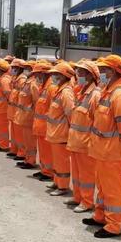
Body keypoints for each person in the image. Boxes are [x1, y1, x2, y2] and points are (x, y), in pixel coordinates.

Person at [83, 54, 121, 238]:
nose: (101, 73)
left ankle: (114, 225)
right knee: (102, 187)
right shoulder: (108, 91)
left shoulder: (120, 95)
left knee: (112, 189)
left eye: (105, 70)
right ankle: (100, 216)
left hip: (111, 152)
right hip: (101, 150)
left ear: (113, 72)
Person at [66, 60, 101, 213]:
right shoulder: (81, 92)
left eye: (81, 72)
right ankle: (78, 196)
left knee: (86, 175)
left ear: (89, 75)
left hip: (86, 143)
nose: (77, 74)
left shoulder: (95, 95)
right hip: (75, 141)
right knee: (77, 173)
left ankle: (87, 201)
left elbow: (97, 122)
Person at [45, 62, 76, 196]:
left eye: (57, 74)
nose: (53, 76)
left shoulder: (66, 92)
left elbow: (70, 113)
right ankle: (57, 181)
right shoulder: (59, 90)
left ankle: (62, 186)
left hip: (61, 133)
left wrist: (69, 132)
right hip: (55, 133)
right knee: (57, 160)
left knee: (62, 161)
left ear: (64, 76)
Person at [32, 61, 55, 181]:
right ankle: (44, 170)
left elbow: (53, 110)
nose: (36, 77)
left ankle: (49, 173)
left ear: (44, 73)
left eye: (38, 74)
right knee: (43, 151)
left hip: (46, 127)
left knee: (47, 152)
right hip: (41, 127)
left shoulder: (51, 88)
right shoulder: (43, 87)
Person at [14, 60, 39, 169]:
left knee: (30, 142)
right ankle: (27, 158)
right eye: (25, 68)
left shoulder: (33, 84)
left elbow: (36, 101)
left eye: (28, 68)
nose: (26, 70)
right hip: (24, 117)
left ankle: (31, 161)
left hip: (29, 118)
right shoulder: (27, 82)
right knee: (26, 141)